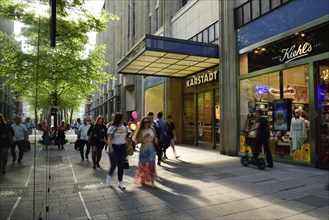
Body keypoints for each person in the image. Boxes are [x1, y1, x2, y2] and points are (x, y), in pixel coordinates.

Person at [133, 116, 158, 188]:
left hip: (151, 149)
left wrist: (156, 140)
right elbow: (137, 141)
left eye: (148, 122)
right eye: (144, 122)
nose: (146, 123)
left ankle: (152, 182)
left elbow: (155, 137)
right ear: (142, 123)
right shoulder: (141, 131)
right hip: (143, 149)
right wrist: (144, 137)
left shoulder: (152, 129)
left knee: (151, 165)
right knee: (143, 165)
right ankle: (142, 179)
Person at [106, 113, 128, 189]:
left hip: (122, 148)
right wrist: (110, 147)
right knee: (113, 164)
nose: (124, 120)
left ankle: (120, 182)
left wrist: (127, 146)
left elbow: (125, 138)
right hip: (114, 147)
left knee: (121, 165)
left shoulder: (124, 127)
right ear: (119, 119)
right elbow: (109, 139)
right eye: (123, 118)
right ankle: (108, 178)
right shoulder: (112, 127)